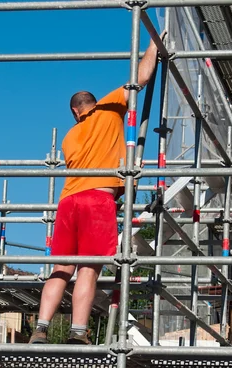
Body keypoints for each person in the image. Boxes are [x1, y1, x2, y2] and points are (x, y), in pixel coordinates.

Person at [29, 34, 164, 345]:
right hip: (97, 199)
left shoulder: (70, 137)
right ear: (91, 104)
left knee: (61, 269)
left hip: (68, 202)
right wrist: (154, 44)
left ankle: (41, 328)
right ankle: (78, 333)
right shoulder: (108, 108)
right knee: (88, 269)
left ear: (76, 112)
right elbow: (141, 76)